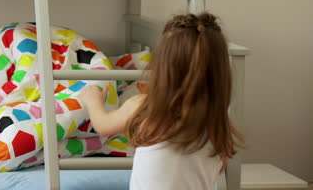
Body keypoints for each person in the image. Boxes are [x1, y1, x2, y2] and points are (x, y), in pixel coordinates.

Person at [83, 12, 242, 190]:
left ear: (162, 68)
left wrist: (93, 100)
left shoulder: (145, 106)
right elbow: (220, 166)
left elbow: (103, 125)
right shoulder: (219, 123)